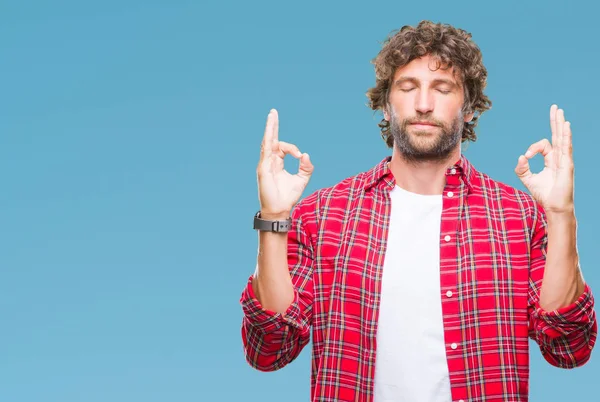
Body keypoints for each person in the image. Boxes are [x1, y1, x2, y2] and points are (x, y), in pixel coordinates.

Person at [239, 20, 597, 402]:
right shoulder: (324, 214)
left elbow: (569, 348)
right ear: (387, 105)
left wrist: (561, 214)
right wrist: (273, 219)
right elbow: (269, 350)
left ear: (470, 108)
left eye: (442, 89)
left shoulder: (517, 216)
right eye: (408, 87)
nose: (423, 104)